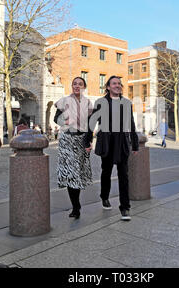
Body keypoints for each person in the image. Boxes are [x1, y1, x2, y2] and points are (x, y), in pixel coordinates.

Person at [84, 76, 139, 221]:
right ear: (108, 87)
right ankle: (104, 196)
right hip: (107, 141)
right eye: (114, 83)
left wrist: (135, 143)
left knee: (123, 175)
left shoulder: (126, 103)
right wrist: (87, 141)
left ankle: (125, 207)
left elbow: (131, 124)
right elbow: (92, 122)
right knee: (106, 172)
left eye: (119, 84)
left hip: (122, 142)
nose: (117, 86)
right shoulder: (101, 102)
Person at [54, 77, 93, 219]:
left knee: (77, 173)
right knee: (70, 174)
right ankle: (75, 206)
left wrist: (88, 142)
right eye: (75, 83)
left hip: (80, 140)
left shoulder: (88, 103)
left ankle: (76, 205)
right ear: (71, 86)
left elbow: (90, 126)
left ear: (84, 87)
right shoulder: (64, 101)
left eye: (80, 84)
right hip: (66, 140)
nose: (77, 86)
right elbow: (55, 119)